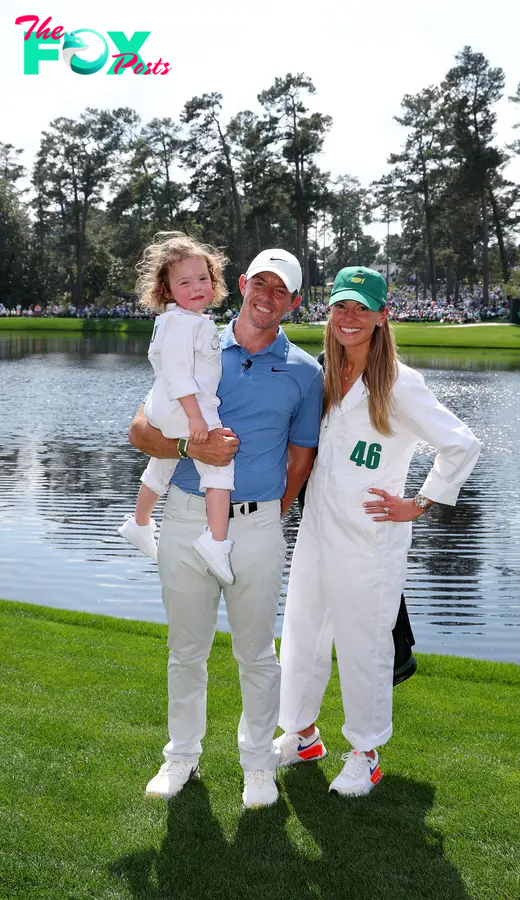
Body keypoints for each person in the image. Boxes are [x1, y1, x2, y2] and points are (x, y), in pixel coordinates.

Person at [128, 248, 323, 808]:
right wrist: (194, 444)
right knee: (185, 651)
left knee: (258, 655)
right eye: (259, 282)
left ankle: (258, 763)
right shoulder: (197, 339)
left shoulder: (306, 372)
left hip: (259, 526)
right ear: (240, 284)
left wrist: (269, 515)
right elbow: (140, 431)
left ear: (294, 302)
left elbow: (300, 459)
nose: (266, 295)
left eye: (280, 289)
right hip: (188, 514)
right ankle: (181, 756)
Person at [275, 266, 481, 796]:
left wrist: (420, 503)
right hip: (317, 527)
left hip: (370, 537)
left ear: (382, 315)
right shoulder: (321, 374)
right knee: (302, 632)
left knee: (364, 644)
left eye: (362, 308)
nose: (349, 318)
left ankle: (365, 753)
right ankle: (301, 734)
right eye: (341, 306)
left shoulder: (400, 383)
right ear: (329, 311)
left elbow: (461, 444)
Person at [118, 233, 235, 583]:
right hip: (184, 406)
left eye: (203, 279)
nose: (197, 287)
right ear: (167, 290)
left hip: (165, 405)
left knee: (165, 459)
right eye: (185, 282)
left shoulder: (177, 319)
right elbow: (180, 374)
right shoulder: (183, 323)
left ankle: (139, 523)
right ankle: (215, 541)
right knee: (219, 463)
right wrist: (197, 418)